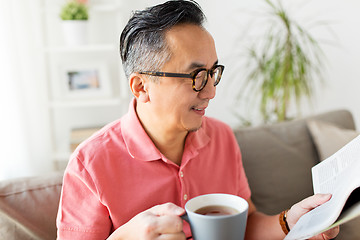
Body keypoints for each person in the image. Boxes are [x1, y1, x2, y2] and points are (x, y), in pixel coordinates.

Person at [56, 1, 339, 239]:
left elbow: (245, 224)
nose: (211, 91)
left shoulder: (222, 137)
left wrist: (291, 221)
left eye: (212, 72)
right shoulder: (89, 165)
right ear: (141, 87)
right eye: (196, 77)